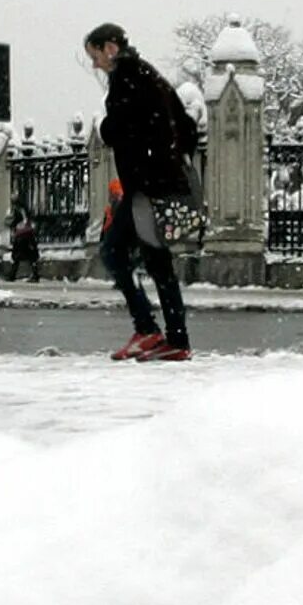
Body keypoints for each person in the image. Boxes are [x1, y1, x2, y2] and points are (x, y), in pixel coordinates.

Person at [84, 21, 198, 362]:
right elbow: (186, 126)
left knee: (113, 251)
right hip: (160, 183)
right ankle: (176, 339)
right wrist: (175, 159)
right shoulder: (151, 75)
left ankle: (148, 329)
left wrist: (109, 128)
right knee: (156, 260)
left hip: (145, 188)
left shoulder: (127, 76)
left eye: (95, 55)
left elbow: (117, 127)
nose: (95, 64)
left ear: (110, 48)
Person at [9, 205, 40, 283]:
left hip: (22, 237)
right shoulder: (25, 217)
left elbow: (13, 222)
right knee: (30, 257)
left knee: (18, 257)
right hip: (27, 237)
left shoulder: (19, 215)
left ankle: (12, 275)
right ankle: (35, 274)